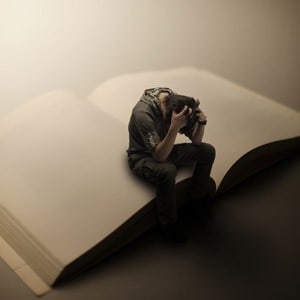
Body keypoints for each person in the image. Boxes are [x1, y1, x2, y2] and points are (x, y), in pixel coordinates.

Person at [127, 87, 216, 243]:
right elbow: (159, 157)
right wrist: (174, 127)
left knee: (207, 151)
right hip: (142, 157)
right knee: (168, 170)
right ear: (167, 116)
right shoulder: (143, 114)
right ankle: (168, 225)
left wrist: (202, 123)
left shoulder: (174, 102)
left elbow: (196, 141)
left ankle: (197, 199)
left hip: (164, 147)